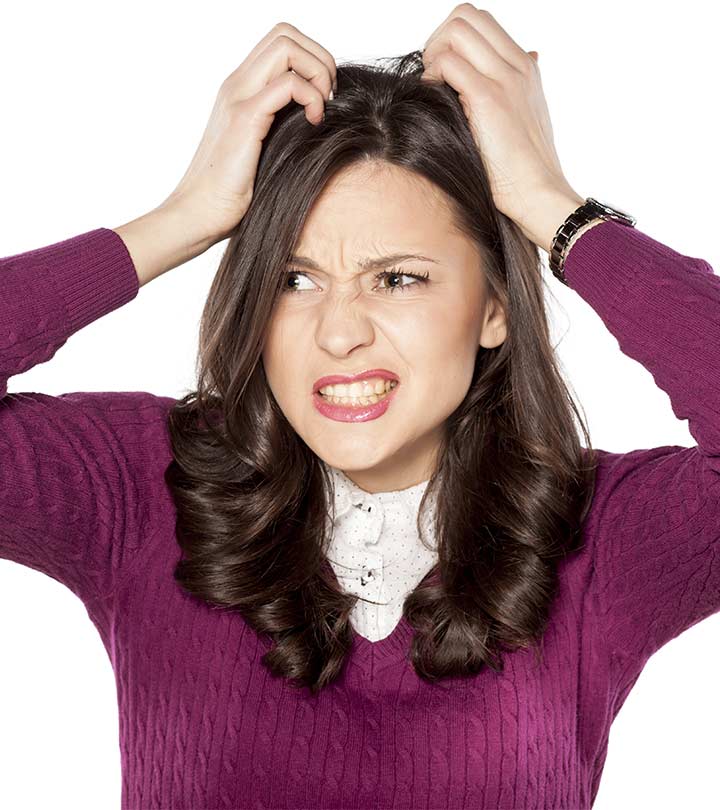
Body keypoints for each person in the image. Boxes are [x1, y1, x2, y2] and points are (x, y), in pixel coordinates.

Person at [2, 7, 719, 809]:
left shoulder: (603, 535)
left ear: (494, 308)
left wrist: (553, 207)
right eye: (295, 279)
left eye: (398, 278)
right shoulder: (140, 488)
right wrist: (184, 217)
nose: (339, 333)